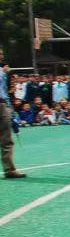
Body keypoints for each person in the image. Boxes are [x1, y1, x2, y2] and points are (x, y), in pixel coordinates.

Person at [0, 50, 26, 179]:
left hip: (2, 104)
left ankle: (9, 169)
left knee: (7, 138)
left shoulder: (3, 73)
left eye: (2, 54)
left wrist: (9, 107)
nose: (2, 56)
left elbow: (5, 90)